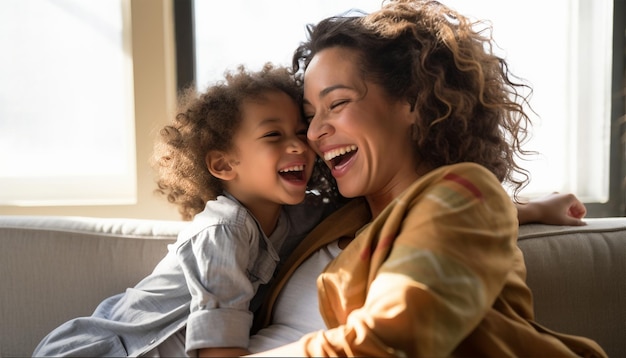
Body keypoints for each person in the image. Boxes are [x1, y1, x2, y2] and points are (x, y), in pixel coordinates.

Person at [246, 1, 607, 356]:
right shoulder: (328, 220)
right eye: (310, 116)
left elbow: (392, 339)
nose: (313, 133)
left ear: (413, 102)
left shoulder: (466, 194)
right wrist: (530, 209)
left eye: (337, 103)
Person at [32, 64, 337, 357]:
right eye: (273, 135)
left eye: (300, 132)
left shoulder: (297, 216)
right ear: (223, 164)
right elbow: (218, 350)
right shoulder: (224, 230)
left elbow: (355, 207)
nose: (298, 146)